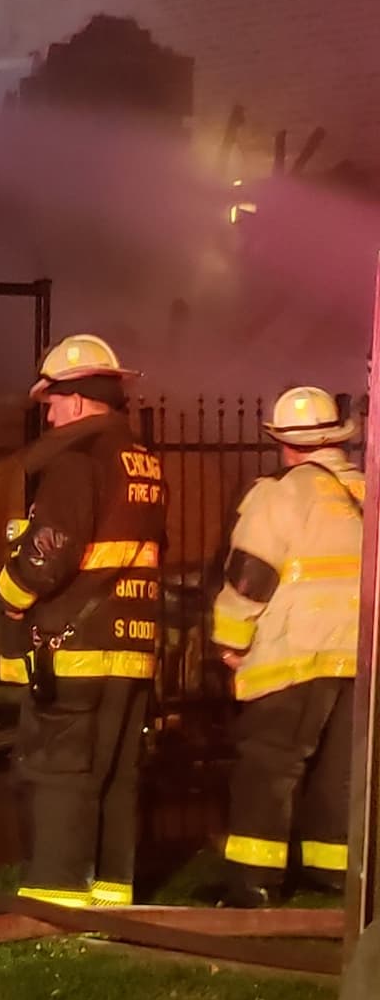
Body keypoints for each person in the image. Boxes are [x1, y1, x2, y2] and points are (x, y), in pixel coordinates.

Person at [0, 333, 167, 909]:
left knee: (60, 769)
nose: (48, 413)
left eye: (52, 402)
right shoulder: (141, 461)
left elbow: (50, 551)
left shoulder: (76, 462)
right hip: (132, 642)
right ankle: (111, 893)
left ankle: (57, 896)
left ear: (76, 400)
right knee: (115, 774)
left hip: (76, 645)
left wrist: (10, 592)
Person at [210, 386, 362, 906]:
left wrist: (231, 639)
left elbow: (250, 575)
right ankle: (334, 874)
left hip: (294, 655)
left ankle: (252, 882)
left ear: (285, 443)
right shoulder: (369, 489)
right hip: (360, 659)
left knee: (268, 766)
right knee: (338, 771)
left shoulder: (282, 493)